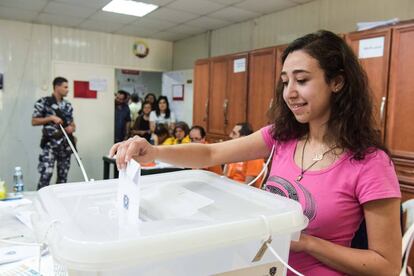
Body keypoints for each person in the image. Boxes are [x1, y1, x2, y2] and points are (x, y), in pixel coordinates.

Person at [110, 30, 401, 275]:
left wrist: (307, 242)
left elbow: (387, 265)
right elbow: (211, 155)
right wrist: (154, 151)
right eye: (285, 82)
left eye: (302, 80)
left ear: (337, 82)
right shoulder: (282, 137)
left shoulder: (370, 162)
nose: (289, 93)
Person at [32, 77, 75, 190]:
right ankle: (40, 201)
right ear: (57, 87)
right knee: (46, 176)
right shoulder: (44, 102)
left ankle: (58, 204)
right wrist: (50, 118)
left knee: (62, 178)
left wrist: (71, 128)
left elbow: (72, 123)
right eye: (65, 87)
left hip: (65, 146)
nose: (67, 90)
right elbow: (34, 121)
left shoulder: (67, 105)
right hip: (50, 145)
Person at [223, 123, 264, 187]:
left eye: (234, 133)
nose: (230, 135)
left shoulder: (254, 156)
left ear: (243, 138)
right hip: (229, 188)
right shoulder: (233, 152)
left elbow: (248, 185)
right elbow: (225, 176)